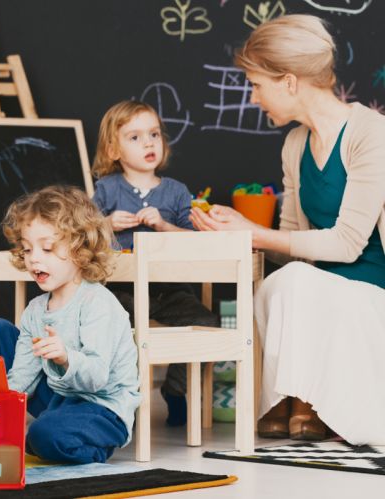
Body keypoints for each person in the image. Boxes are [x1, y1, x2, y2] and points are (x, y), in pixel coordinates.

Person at [191, 14, 385, 443]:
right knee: (282, 280)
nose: (253, 97)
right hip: (317, 294)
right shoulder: (295, 144)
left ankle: (302, 399)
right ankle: (296, 400)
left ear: (289, 82)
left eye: (257, 84)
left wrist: (251, 233)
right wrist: (230, 229)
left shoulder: (372, 134)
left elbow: (347, 244)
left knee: (295, 281)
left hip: (372, 297)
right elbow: (291, 244)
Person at [0, 185, 140, 463]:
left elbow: (97, 378)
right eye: (27, 249)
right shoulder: (35, 310)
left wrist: (65, 357)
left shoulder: (98, 303)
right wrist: (4, 403)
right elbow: (22, 376)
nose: (34, 258)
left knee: (43, 435)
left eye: (47, 248)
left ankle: (83, 444)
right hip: (58, 399)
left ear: (80, 250)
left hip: (102, 407)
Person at [91, 100, 219, 426]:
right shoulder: (106, 189)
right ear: (113, 150)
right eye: (135, 137)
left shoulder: (176, 192)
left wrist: (163, 225)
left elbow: (196, 240)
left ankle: (175, 391)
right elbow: (81, 235)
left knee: (206, 323)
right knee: (114, 328)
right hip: (121, 291)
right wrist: (106, 224)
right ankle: (122, 397)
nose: (148, 143)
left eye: (154, 134)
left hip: (169, 289)